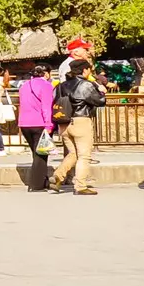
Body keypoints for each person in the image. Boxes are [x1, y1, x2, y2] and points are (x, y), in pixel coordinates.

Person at [48, 59, 105, 195]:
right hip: (80, 121)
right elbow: (100, 101)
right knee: (84, 155)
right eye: (89, 70)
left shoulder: (61, 86)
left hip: (63, 123)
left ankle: (57, 176)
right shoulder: (85, 84)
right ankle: (80, 186)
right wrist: (102, 91)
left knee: (73, 153)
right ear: (85, 70)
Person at [15, 62, 56, 193]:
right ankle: (37, 184)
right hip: (39, 123)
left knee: (35, 152)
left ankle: (42, 180)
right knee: (42, 154)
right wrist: (49, 124)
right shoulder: (46, 85)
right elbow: (46, 107)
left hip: (24, 123)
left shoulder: (24, 86)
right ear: (46, 73)